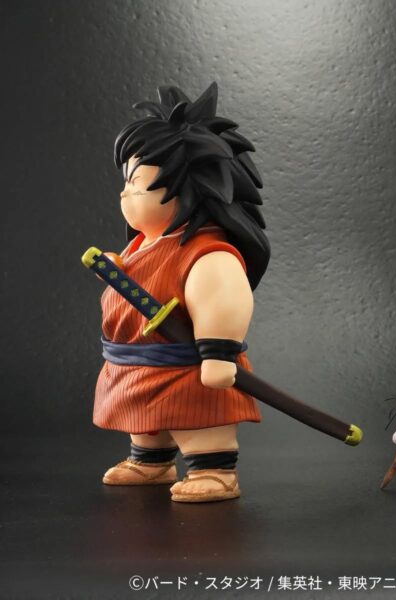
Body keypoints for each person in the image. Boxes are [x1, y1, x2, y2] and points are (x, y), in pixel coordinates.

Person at [93, 83, 270, 503]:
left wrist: (219, 351)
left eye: (137, 184)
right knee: (145, 420)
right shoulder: (146, 243)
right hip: (134, 363)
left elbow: (224, 302)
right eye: (125, 183)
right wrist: (119, 272)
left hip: (186, 365)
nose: (124, 194)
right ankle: (151, 460)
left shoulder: (207, 254)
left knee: (198, 419)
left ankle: (214, 469)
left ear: (191, 189)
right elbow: (144, 279)